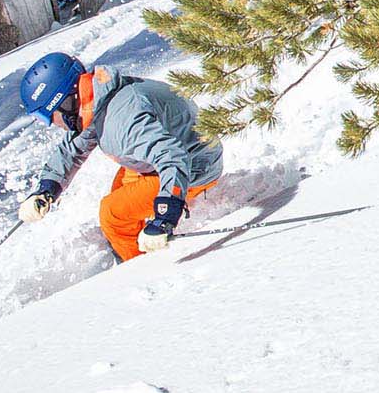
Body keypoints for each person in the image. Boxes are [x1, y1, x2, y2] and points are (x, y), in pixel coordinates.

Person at [17, 52, 225, 259]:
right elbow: (72, 149)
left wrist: (166, 215)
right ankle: (134, 239)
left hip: (195, 166)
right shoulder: (99, 100)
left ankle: (138, 267)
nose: (53, 124)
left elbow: (172, 156)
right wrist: (46, 189)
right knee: (120, 187)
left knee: (112, 214)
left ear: (64, 102)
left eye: (47, 116)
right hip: (178, 152)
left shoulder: (123, 121)